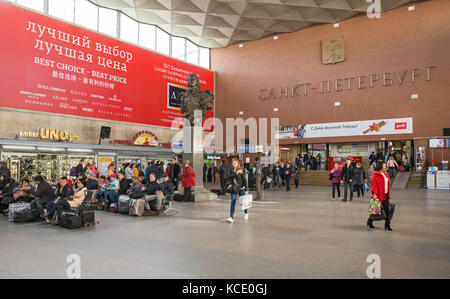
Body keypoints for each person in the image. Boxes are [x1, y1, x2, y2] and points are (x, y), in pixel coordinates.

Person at [367, 161, 393, 231]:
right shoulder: (375, 174)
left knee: (387, 211)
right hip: (378, 195)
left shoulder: (385, 174)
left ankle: (387, 225)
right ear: (380, 166)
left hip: (385, 195)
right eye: (384, 166)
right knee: (376, 211)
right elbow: (373, 185)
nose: (385, 167)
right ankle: (369, 222)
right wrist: (374, 194)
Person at [226, 158, 249, 223]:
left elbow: (245, 180)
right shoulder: (230, 169)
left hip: (241, 188)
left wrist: (246, 190)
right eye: (233, 163)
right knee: (233, 202)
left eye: (235, 163)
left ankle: (246, 212)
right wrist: (236, 172)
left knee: (242, 202)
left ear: (238, 163)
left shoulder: (242, 170)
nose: (234, 164)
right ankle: (231, 217)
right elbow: (229, 176)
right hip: (234, 188)